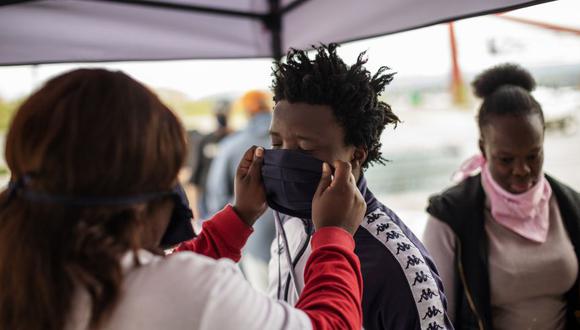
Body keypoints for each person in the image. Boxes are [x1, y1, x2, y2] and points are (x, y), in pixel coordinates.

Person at [0, 68, 368, 330]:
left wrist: (238, 218)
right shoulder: (193, 293)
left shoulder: (24, 265)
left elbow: (148, 275)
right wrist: (334, 236)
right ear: (142, 201)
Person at [266, 43, 452, 329]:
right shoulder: (288, 224)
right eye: (276, 144)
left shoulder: (395, 263)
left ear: (356, 155)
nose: (283, 160)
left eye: (305, 149)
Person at [424, 63, 580, 330]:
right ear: (483, 148)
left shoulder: (570, 205)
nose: (522, 170)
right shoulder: (449, 217)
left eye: (533, 155)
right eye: (506, 159)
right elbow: (437, 317)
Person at [204, 90, 276, 290]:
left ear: (245, 111)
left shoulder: (232, 144)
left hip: (253, 240)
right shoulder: (293, 139)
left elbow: (216, 198)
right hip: (299, 237)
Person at [189, 99, 232, 219]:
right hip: (207, 197)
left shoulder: (234, 140)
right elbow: (196, 174)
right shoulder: (206, 140)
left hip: (230, 197)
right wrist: (194, 207)